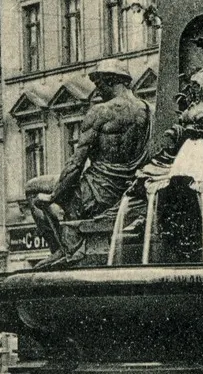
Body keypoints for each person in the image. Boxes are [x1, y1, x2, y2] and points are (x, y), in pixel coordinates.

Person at [27, 61, 151, 267]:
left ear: (111, 80)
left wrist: (55, 195)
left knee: (33, 188)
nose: (97, 89)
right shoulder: (149, 110)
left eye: (99, 83)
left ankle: (63, 250)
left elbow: (76, 164)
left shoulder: (100, 112)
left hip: (98, 192)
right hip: (132, 189)